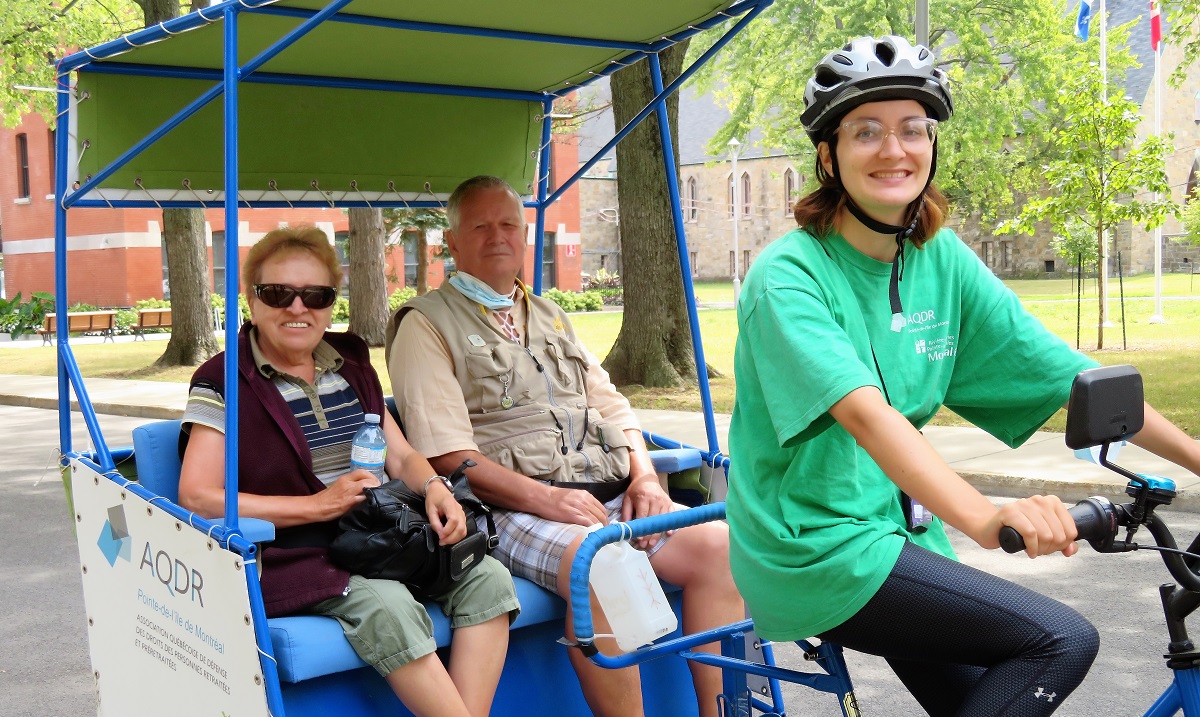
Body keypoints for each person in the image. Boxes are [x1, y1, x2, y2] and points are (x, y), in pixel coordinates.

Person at [727, 34, 1200, 717]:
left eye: (911, 128)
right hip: (814, 545)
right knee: (1059, 640)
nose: (894, 149)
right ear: (828, 157)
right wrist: (985, 516)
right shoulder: (788, 276)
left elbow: (1064, 373)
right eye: (867, 131)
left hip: (900, 534)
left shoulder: (938, 258)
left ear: (932, 143)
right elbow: (867, 413)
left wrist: (1196, 458)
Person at [385, 175, 744, 717]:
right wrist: (546, 499)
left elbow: (614, 408)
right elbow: (445, 455)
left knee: (719, 546)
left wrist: (644, 477)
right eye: (480, 226)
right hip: (504, 509)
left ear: (524, 234)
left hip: (603, 491)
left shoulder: (549, 315)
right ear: (451, 244)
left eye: (508, 224)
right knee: (594, 560)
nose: (498, 236)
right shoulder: (425, 324)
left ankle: (722, 712)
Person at [177, 226, 519, 717]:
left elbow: (398, 456)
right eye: (278, 294)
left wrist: (435, 488)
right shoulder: (221, 380)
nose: (298, 308)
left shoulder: (352, 362)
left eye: (314, 295)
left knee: (485, 576)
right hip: (296, 555)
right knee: (389, 607)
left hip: (380, 537)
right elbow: (198, 495)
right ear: (252, 301)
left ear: (330, 302)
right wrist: (316, 506)